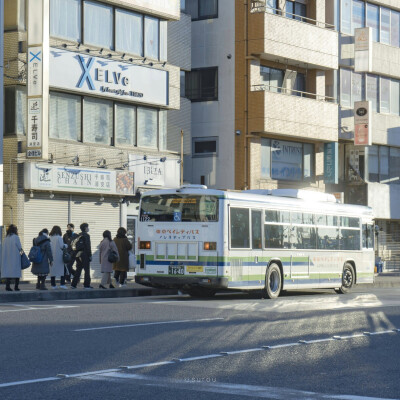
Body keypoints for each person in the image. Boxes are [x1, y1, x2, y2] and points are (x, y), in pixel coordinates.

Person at [1, 224, 23, 291]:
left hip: (7, 257)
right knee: (17, 272)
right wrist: (22, 254)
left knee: (8, 272)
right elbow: (20, 248)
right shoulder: (16, 237)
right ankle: (16, 287)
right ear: (15, 230)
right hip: (15, 257)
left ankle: (7, 286)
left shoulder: (6, 239)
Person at [71, 223, 92, 289]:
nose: (88, 228)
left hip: (78, 254)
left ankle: (73, 284)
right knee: (87, 270)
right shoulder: (86, 235)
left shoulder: (78, 235)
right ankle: (86, 285)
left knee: (78, 269)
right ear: (85, 228)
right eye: (87, 227)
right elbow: (88, 246)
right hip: (84, 254)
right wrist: (90, 255)